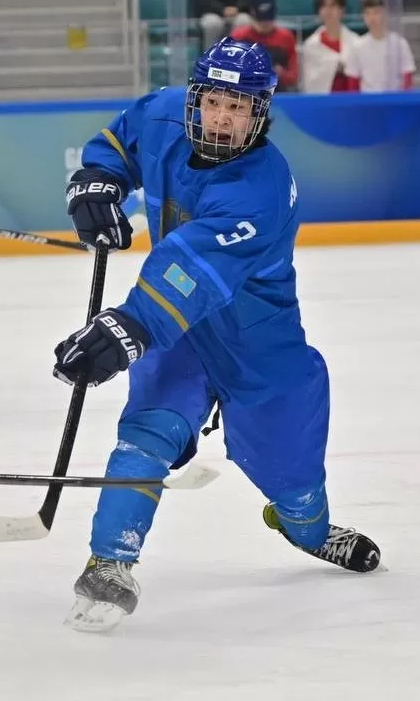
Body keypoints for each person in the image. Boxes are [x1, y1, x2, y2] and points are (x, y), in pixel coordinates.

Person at [55, 38, 382, 634]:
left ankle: (306, 529)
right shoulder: (161, 114)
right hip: (176, 328)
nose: (222, 118)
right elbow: (118, 142)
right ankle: (110, 562)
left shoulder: (261, 186)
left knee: (294, 480)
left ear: (261, 113)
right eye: (212, 102)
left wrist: (130, 325)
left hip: (256, 340)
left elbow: (192, 269)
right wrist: (98, 180)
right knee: (148, 430)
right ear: (195, 97)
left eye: (239, 107)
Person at [342, 0, 415, 92]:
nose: (372, 18)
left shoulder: (400, 44)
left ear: (384, 13)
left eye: (376, 12)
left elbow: (407, 77)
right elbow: (353, 82)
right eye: (367, 13)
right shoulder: (357, 46)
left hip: (394, 101)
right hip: (367, 103)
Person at [301, 0, 359, 93]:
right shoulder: (311, 45)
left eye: (332, 6)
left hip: (351, 101)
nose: (328, 11)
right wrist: (337, 65)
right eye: (324, 6)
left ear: (342, 10)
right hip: (323, 104)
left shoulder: (356, 42)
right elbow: (309, 82)